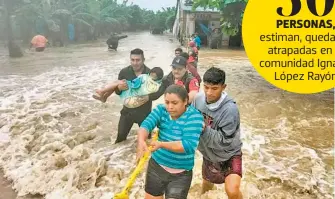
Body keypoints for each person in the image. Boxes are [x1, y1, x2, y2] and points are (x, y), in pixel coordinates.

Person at [136, 84, 204, 199]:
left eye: (174, 103)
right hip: (156, 167)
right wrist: (141, 140)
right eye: (167, 102)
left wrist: (161, 144)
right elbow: (146, 125)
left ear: (185, 101)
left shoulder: (194, 117)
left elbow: (187, 146)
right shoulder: (161, 110)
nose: (170, 107)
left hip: (180, 174)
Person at [192, 67, 243, 199]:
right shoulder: (197, 100)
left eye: (214, 88)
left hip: (229, 154)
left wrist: (204, 129)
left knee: (232, 191)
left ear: (223, 87)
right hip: (209, 154)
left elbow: (225, 141)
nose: (209, 92)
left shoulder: (230, 110)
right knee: (206, 186)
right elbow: (189, 120)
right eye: (206, 87)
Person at [113, 48, 162, 143]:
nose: (135, 63)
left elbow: (158, 91)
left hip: (144, 114)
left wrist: (148, 97)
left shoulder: (150, 74)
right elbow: (117, 92)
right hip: (127, 113)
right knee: (120, 140)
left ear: (143, 60)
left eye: (138, 60)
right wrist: (119, 88)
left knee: (147, 142)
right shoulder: (124, 72)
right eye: (132, 60)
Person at [92, 67, 164, 108]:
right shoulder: (152, 80)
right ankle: (104, 96)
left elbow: (142, 87)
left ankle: (102, 92)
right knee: (118, 84)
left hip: (133, 93)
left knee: (118, 82)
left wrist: (131, 84)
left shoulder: (153, 84)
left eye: (154, 77)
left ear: (158, 78)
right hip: (134, 91)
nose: (152, 77)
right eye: (151, 75)